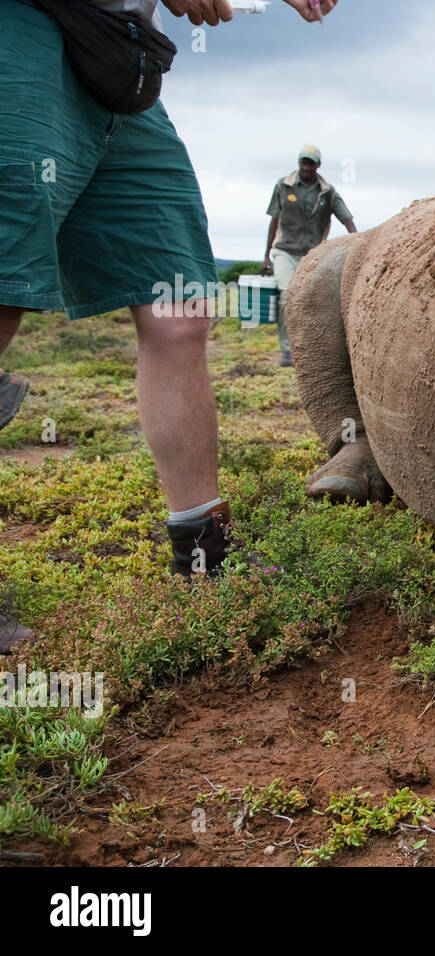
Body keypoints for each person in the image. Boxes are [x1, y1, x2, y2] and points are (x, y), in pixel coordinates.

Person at [0, 0, 339, 652]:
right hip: (26, 26)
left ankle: (204, 563)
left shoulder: (323, 190)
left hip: (119, 62)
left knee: (181, 310)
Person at [261, 145, 357, 367]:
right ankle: (287, 349)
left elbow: (347, 218)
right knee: (286, 295)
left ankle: (313, 347)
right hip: (285, 249)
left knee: (314, 301)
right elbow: (273, 221)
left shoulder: (327, 192)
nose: (306, 167)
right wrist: (266, 256)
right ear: (298, 163)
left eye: (311, 163)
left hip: (314, 252)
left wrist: (360, 244)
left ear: (318, 165)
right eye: (303, 162)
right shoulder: (283, 186)